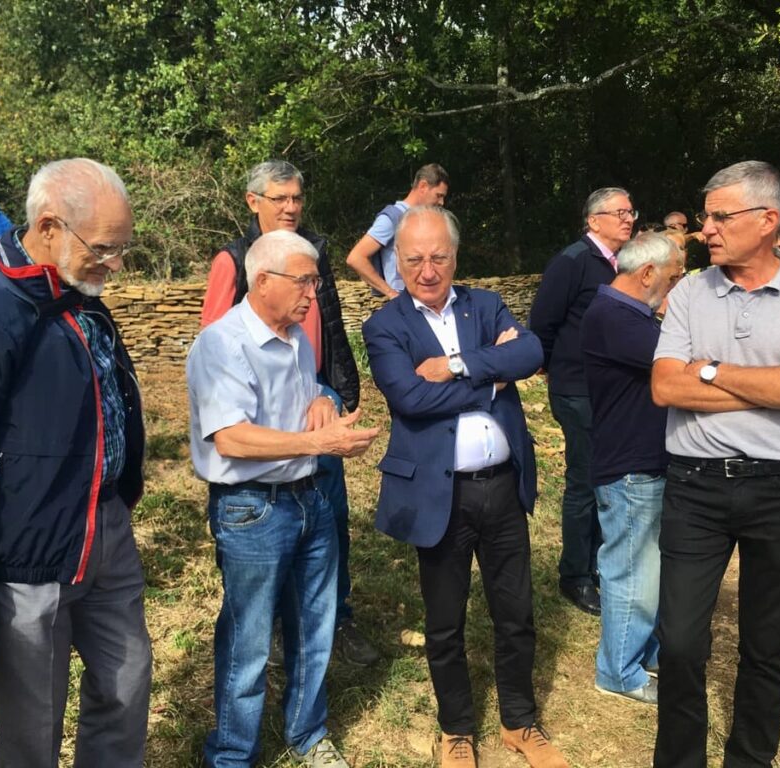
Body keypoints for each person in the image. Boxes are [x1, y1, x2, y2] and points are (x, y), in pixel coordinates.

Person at [0, 158, 152, 767]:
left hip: (104, 529)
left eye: (122, 248)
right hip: (25, 555)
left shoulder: (75, 292)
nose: (115, 265)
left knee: (126, 689)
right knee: (31, 729)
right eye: (104, 248)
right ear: (47, 227)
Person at [651, 160, 780, 768]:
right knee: (680, 643)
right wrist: (773, 382)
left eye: (718, 216)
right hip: (696, 487)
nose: (704, 229)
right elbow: (665, 387)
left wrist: (707, 369)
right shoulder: (689, 292)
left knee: (765, 646)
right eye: (704, 216)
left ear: (767, 220)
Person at [363, 206, 568, 768]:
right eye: (414, 260)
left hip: (502, 487)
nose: (427, 270)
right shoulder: (384, 326)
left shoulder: (485, 304)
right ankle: (456, 729)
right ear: (397, 261)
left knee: (516, 613)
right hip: (440, 495)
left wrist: (454, 365)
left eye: (439, 257)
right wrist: (492, 379)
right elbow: (409, 398)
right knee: (445, 621)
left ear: (455, 257)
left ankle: (520, 722)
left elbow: (530, 352)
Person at [187, 229, 379, 768]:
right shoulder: (223, 344)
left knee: (314, 626)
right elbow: (231, 438)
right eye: (304, 281)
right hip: (252, 508)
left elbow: (304, 396)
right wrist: (322, 443)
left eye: (315, 282)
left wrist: (322, 400)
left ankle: (308, 733)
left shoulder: (296, 338)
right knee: (248, 641)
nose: (313, 294)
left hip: (308, 497)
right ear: (263, 280)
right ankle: (232, 755)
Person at [199, 160, 375, 665]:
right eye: (280, 198)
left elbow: (331, 325)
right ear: (253, 201)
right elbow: (216, 343)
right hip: (263, 408)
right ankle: (273, 622)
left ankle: (337, 618)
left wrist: (337, 389)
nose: (291, 207)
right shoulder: (234, 260)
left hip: (317, 394)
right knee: (265, 519)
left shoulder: (315, 250)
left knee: (331, 514)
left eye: (297, 197)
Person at [581, 233, 683, 707]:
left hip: (642, 462)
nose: (675, 286)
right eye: (673, 278)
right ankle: (619, 672)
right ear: (647, 274)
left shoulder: (631, 315)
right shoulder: (615, 317)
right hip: (629, 468)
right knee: (632, 571)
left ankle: (642, 654)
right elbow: (681, 365)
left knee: (648, 567)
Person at [528, 186, 636, 616]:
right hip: (577, 390)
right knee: (585, 480)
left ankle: (598, 564)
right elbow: (543, 321)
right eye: (619, 213)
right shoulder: (573, 261)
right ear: (594, 221)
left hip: (610, 391)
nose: (628, 219)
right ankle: (575, 574)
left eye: (630, 212)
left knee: (607, 479)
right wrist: (556, 368)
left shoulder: (622, 262)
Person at [345, 163, 449, 298]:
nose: (441, 202)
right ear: (423, 186)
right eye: (438, 195)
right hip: (403, 302)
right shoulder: (392, 218)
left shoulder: (423, 219)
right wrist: (391, 293)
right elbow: (356, 258)